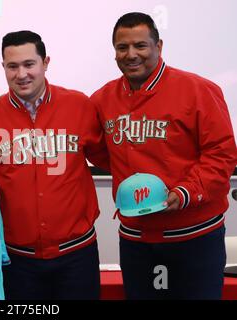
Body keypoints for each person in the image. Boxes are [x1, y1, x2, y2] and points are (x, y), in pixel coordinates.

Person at [91, 12, 237, 299]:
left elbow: (221, 154)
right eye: (122, 48)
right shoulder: (102, 99)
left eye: (140, 46)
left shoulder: (199, 90)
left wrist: (184, 191)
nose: (131, 54)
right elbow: (99, 151)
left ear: (159, 45)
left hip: (195, 235)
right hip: (136, 238)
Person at [0, 30, 108, 299]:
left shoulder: (79, 106)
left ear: (45, 63)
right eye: (12, 66)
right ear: (3, 68)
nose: (21, 74)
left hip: (77, 256)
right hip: (17, 262)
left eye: (29, 64)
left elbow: (112, 158)